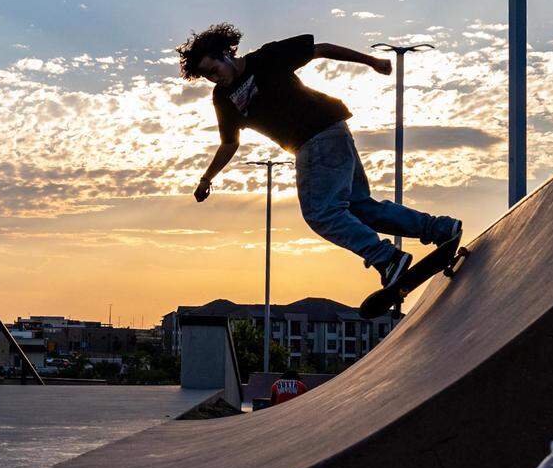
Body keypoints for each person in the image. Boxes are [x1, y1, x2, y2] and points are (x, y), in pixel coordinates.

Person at [177, 23, 462, 288]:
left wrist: (371, 61)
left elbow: (322, 49)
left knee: (321, 213)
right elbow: (229, 143)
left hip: (318, 137)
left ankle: (386, 258)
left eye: (213, 70)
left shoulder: (267, 57)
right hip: (328, 139)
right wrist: (206, 179)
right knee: (359, 209)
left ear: (226, 54)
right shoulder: (222, 98)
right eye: (207, 76)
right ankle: (439, 229)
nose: (215, 78)